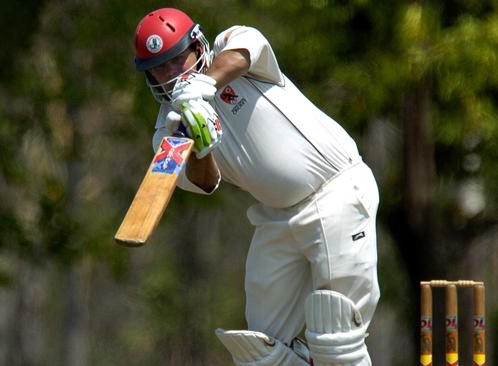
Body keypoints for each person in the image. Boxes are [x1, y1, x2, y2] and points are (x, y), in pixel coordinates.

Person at [133, 7, 380, 366]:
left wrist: (204, 87)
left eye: (176, 60)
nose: (170, 74)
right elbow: (206, 183)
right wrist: (200, 144)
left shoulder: (230, 47)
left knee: (335, 335)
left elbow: (245, 53)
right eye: (159, 67)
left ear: (197, 46)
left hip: (336, 194)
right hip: (277, 219)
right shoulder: (167, 133)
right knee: (262, 352)